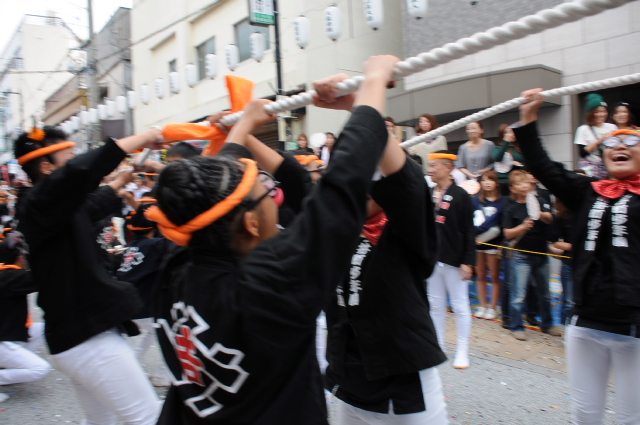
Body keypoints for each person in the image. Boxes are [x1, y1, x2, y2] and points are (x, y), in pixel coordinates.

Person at [147, 55, 398, 424]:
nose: (270, 192)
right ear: (251, 223)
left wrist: (244, 124)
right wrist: (372, 83)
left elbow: (214, 193)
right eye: (264, 190)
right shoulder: (269, 283)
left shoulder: (177, 263)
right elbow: (341, 188)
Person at [14, 126, 164, 425]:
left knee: (101, 422)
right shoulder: (38, 205)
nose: (76, 160)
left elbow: (92, 203)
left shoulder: (51, 208)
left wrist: (121, 180)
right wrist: (142, 139)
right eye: (69, 157)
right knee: (150, 418)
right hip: (86, 337)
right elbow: (79, 173)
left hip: (80, 334)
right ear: (46, 167)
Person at [322, 78, 448, 424]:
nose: (363, 185)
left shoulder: (407, 232)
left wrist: (361, 104)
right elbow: (294, 179)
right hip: (350, 381)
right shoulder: (336, 229)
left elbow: (408, 184)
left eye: (372, 179)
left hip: (403, 388)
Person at [516, 88, 640, 425]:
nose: (620, 146)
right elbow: (543, 167)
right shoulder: (587, 191)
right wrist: (528, 118)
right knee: (585, 415)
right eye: (612, 143)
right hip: (585, 323)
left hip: (634, 330)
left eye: (631, 141)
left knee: (631, 419)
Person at [427, 150, 475, 369]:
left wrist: (468, 261)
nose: (429, 170)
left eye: (433, 166)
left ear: (447, 167)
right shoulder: (429, 193)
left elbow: (469, 230)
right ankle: (438, 345)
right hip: (432, 259)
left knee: (460, 305)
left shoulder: (460, 194)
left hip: (455, 259)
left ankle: (463, 349)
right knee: (435, 305)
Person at [502, 170, 561, 341]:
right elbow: (507, 233)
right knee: (518, 294)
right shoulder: (511, 207)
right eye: (519, 183)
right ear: (512, 188)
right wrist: (523, 226)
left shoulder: (540, 201)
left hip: (541, 254)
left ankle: (547, 324)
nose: (524, 186)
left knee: (545, 294)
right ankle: (516, 326)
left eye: (526, 182)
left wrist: (538, 213)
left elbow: (550, 219)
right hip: (521, 255)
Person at [0, 238, 50, 403]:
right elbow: (42, 278)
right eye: (22, 255)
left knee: (43, 328)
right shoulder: (9, 277)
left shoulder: (7, 275)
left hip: (8, 334)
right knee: (40, 369)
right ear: (17, 258)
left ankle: (10, 364)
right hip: (2, 340)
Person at [472, 170, 503, 320]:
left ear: (496, 183)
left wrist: (476, 232)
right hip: (477, 242)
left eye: (490, 180)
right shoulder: (475, 200)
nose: (487, 183)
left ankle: (493, 306)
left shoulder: (503, 201)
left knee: (495, 275)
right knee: (481, 275)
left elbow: (495, 221)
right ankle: (483, 305)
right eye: (484, 180)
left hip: (494, 243)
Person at [574, 93, 618, 179]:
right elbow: (582, 153)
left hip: (607, 167)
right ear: (591, 113)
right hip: (588, 169)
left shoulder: (612, 127)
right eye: (597, 112)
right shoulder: (583, 129)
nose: (602, 114)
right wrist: (600, 140)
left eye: (604, 111)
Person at [549, 198, 574, 325]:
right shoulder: (561, 217)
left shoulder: (585, 213)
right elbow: (553, 241)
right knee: (569, 301)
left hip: (587, 263)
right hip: (569, 262)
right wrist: (573, 247)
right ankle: (566, 329)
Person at [492, 124, 525, 196]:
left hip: (519, 182)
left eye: (512, 132)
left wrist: (519, 164)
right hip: (503, 182)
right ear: (502, 135)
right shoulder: (497, 148)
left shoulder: (519, 148)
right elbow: (497, 158)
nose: (511, 134)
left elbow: (527, 163)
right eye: (507, 132)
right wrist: (506, 142)